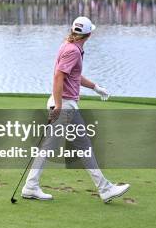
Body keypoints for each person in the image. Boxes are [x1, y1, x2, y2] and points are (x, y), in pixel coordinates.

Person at [21, 16, 131, 203]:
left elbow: (74, 76)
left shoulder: (69, 46)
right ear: (89, 34)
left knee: (61, 147)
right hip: (65, 105)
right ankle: (105, 189)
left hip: (64, 104)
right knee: (78, 147)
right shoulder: (72, 51)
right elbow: (58, 77)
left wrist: (95, 87)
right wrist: (58, 105)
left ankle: (31, 186)